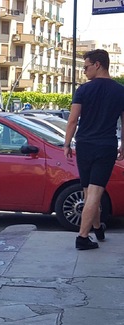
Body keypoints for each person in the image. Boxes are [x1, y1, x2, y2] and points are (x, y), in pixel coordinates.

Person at [63, 49, 124, 250]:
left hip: (84, 145)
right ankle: (83, 237)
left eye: (86, 67)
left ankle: (97, 228)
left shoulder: (83, 90)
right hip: (105, 145)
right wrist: (123, 144)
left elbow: (72, 120)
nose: (84, 71)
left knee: (89, 190)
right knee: (95, 192)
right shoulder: (120, 91)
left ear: (97, 64)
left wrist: (66, 143)